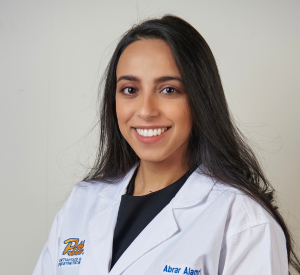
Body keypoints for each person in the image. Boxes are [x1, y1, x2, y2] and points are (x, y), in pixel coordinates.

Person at [33, 14, 300, 275]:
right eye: (130, 90)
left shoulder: (244, 221)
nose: (146, 111)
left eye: (168, 90)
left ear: (200, 100)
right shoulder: (81, 202)